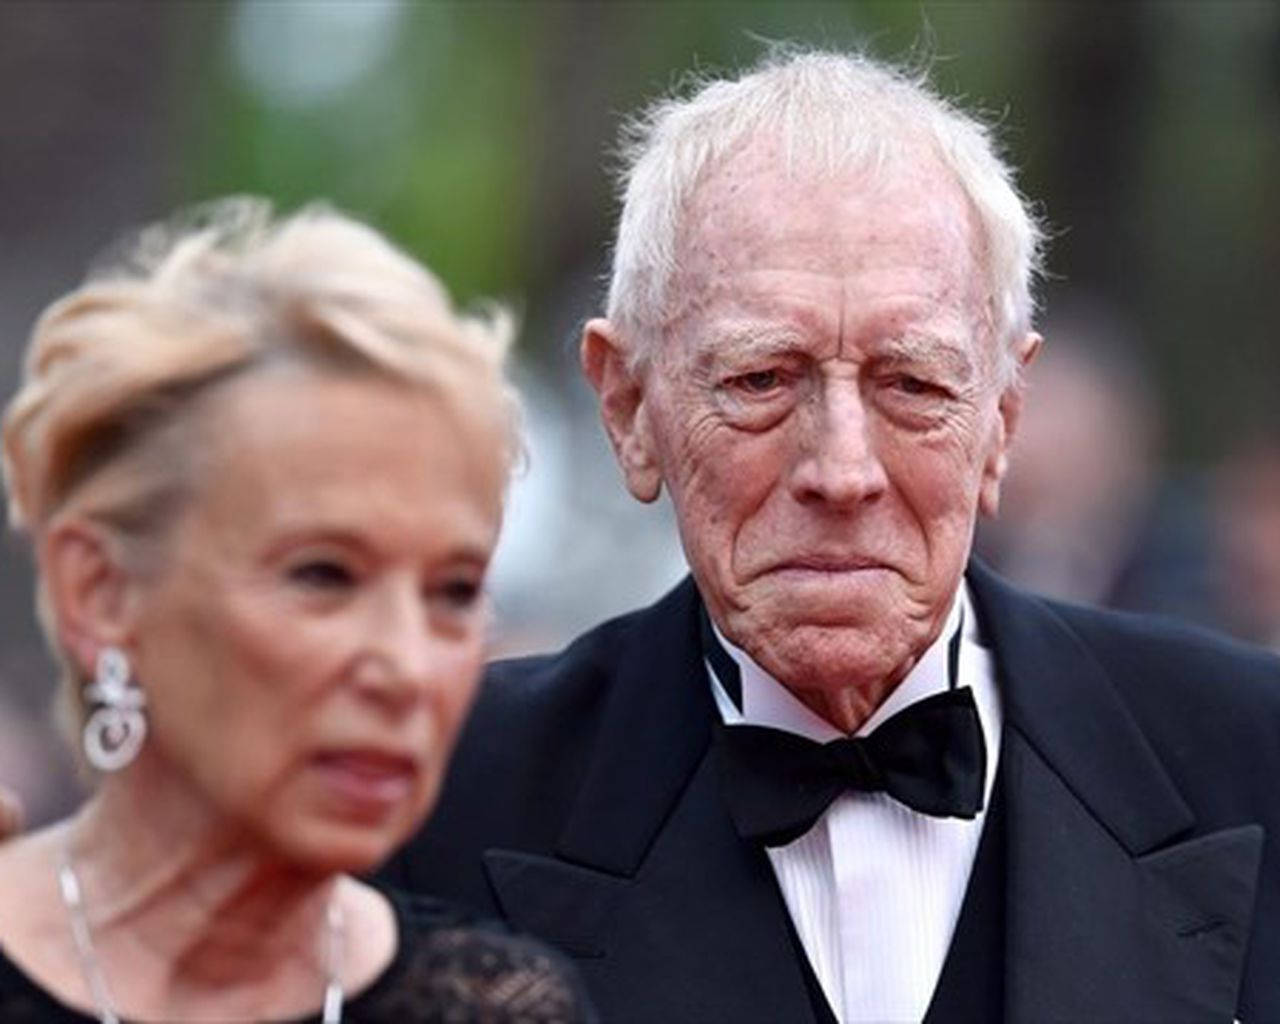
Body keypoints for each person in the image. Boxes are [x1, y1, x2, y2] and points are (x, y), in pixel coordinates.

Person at [383, 49, 1280, 1022]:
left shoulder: (1248, 758)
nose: (841, 470)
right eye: (761, 379)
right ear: (629, 407)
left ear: (1002, 418)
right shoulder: (431, 800)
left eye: (912, 383)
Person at [0, 201, 592, 1022]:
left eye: (454, 592)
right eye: (323, 576)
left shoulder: (498, 1006)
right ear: (99, 592)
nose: (407, 668)